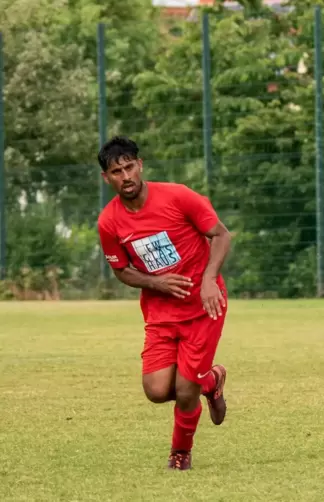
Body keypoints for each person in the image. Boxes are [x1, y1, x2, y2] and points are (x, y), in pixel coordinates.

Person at [97, 136, 232, 470]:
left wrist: (208, 279)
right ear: (107, 178)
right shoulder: (108, 222)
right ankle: (211, 381)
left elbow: (222, 235)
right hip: (160, 313)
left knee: (186, 390)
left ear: (140, 165)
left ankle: (180, 452)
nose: (125, 176)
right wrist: (155, 282)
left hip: (204, 307)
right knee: (156, 390)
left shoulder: (178, 195)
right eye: (117, 171)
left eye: (130, 167)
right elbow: (122, 270)